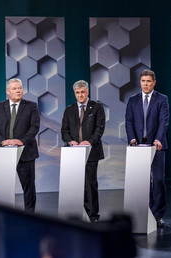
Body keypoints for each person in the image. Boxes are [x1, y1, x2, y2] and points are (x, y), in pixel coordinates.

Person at [125, 69, 169, 227]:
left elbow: (164, 121)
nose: (145, 84)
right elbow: (129, 121)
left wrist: (158, 139)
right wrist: (131, 138)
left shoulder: (162, 99)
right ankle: (147, 211)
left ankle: (158, 215)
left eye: (148, 81)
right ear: (140, 82)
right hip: (139, 146)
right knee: (143, 181)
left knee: (158, 180)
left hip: (156, 146)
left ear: (154, 82)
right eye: (143, 81)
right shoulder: (132, 100)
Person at [0, 78, 40, 212]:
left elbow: (34, 127)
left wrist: (21, 141)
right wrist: (2, 141)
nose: (18, 91)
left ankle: (30, 216)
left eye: (20, 88)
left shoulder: (31, 106)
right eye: (14, 89)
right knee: (3, 188)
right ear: (7, 91)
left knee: (28, 188)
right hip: (4, 153)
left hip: (26, 152)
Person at [61, 80, 105, 222]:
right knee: (77, 184)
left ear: (87, 92)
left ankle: (93, 215)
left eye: (82, 92)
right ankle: (80, 212)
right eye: (77, 93)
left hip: (91, 151)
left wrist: (89, 141)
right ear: (75, 93)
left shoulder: (97, 107)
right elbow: (64, 130)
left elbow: (100, 128)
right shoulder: (69, 110)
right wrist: (70, 141)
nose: (80, 95)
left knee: (90, 183)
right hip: (73, 152)